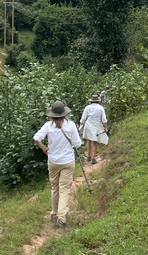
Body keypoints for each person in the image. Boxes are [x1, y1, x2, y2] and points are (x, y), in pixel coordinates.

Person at [33, 100, 82, 229]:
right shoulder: (71, 125)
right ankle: (61, 218)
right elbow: (77, 144)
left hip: (53, 161)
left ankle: (54, 213)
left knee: (55, 188)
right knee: (64, 189)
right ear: (64, 114)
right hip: (67, 161)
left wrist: (44, 148)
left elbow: (36, 138)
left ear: (52, 115)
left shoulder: (48, 126)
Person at [80, 94, 108, 164]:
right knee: (95, 141)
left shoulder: (87, 107)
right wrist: (105, 127)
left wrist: (81, 124)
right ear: (98, 101)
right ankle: (93, 157)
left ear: (91, 101)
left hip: (89, 124)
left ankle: (88, 156)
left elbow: (83, 118)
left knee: (88, 140)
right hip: (97, 124)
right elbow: (104, 119)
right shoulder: (101, 108)